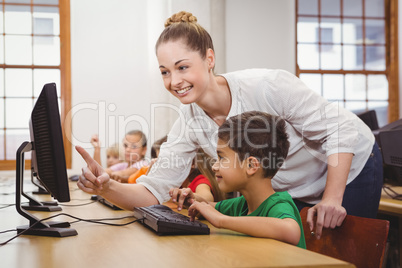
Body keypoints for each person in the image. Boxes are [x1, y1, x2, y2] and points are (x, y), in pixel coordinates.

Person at [76, 11, 383, 239]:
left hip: (348, 164)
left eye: (183, 67)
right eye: (165, 72)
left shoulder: (266, 86)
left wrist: (331, 198)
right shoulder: (190, 122)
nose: (175, 81)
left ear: (209, 58)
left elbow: (338, 131)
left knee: (342, 255)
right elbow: (152, 190)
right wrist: (108, 186)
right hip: (291, 186)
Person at [170, 111, 305, 248]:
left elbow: (291, 231)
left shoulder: (278, 204)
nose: (215, 166)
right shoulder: (243, 204)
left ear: (251, 165)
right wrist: (192, 200)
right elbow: (211, 207)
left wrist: (222, 220)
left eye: (222, 158)